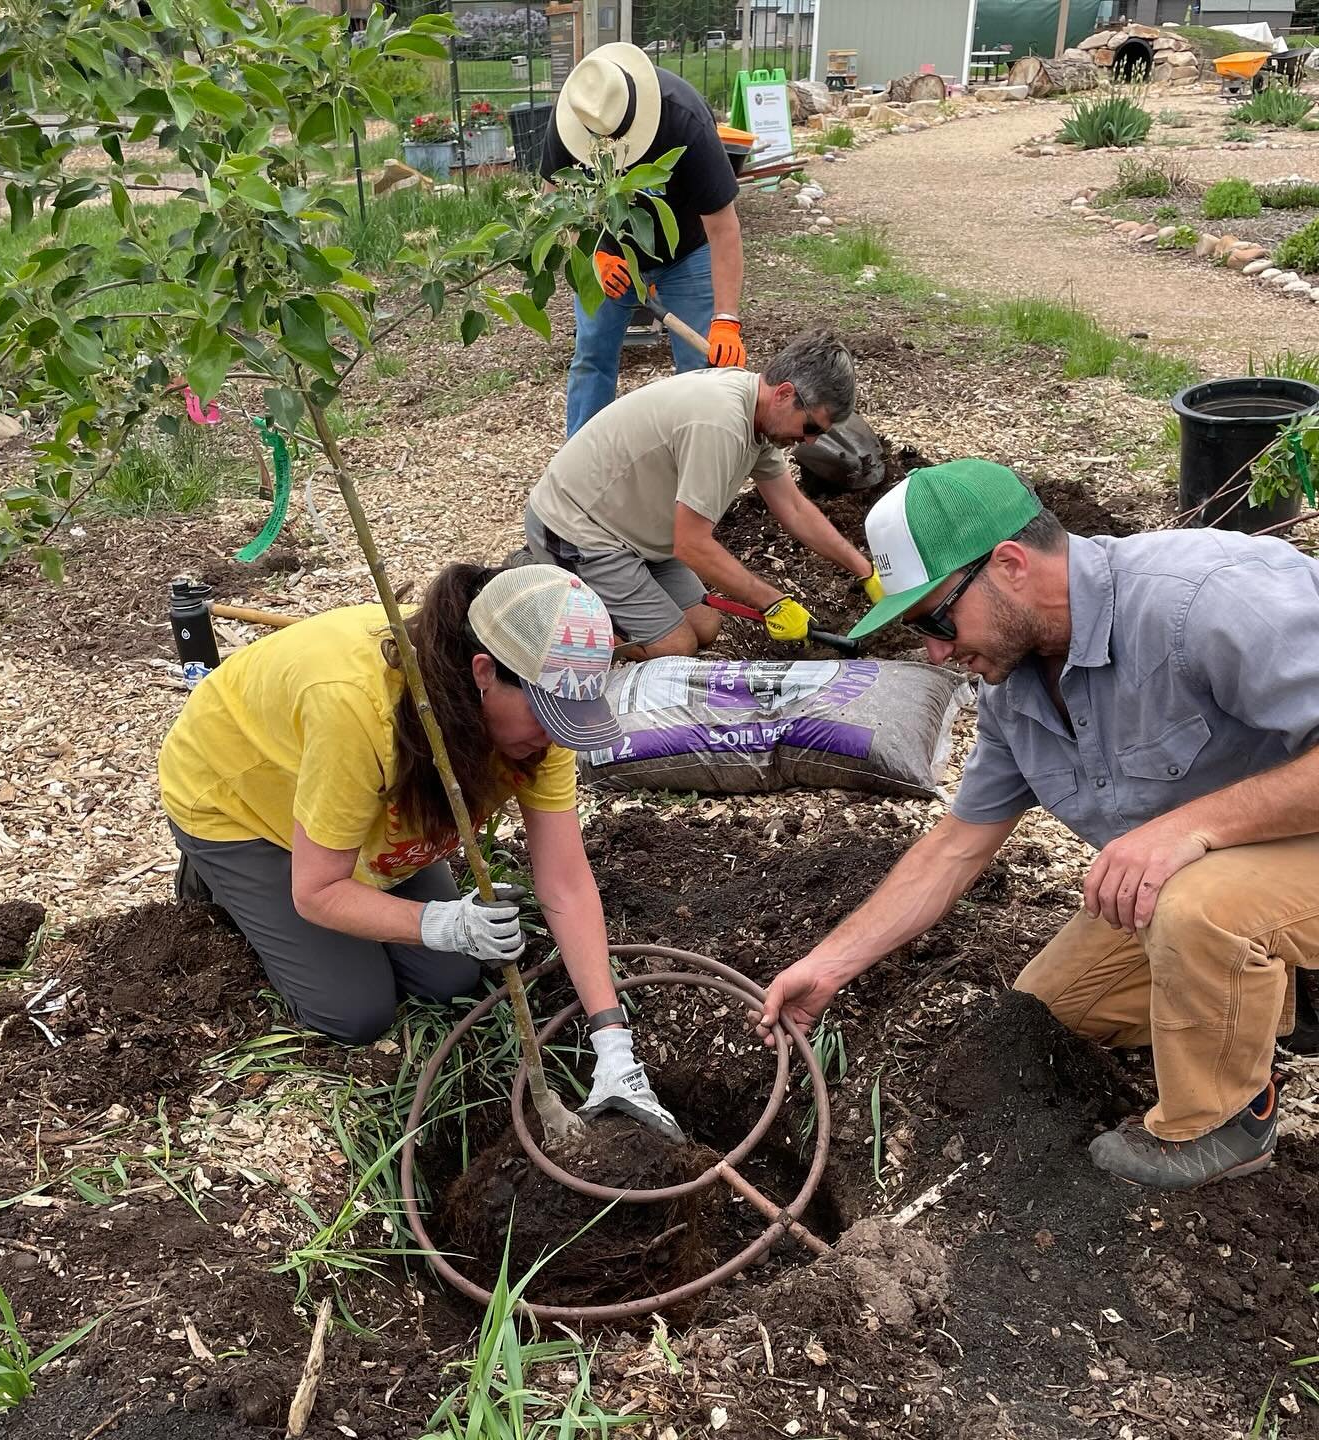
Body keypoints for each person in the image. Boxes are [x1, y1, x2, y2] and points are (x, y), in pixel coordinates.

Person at [758, 459, 1319, 1190]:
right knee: (1053, 1011)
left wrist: (1192, 827)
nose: (935, 651)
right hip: (1256, 858)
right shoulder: (1016, 694)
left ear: (1012, 564)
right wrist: (826, 967)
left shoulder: (1206, 599)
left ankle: (1221, 1123)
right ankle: (1288, 994)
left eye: (935, 619)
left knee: (1194, 906)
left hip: (1263, 855)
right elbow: (955, 848)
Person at [159, 563, 680, 1140]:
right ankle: (220, 878)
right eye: (546, 715)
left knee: (449, 977)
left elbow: (564, 881)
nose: (558, 736)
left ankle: (359, 856)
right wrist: (444, 920)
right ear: (484, 673)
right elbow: (317, 892)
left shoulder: (545, 718)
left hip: (363, 810)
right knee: (357, 1011)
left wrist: (612, 1042)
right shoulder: (358, 710)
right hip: (246, 803)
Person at [523, 329, 884, 660]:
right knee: (674, 647)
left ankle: (599, 604)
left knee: (705, 627)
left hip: (637, 533)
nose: (809, 441)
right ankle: (542, 605)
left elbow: (793, 508)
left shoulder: (758, 416)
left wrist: (864, 570)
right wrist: (773, 601)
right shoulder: (720, 425)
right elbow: (691, 545)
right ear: (785, 394)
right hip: (576, 528)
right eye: (811, 428)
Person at [541, 42, 746, 437]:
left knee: (700, 368)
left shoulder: (684, 119)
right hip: (609, 258)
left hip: (685, 249)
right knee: (592, 356)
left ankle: (700, 461)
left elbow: (724, 227)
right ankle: (580, 462)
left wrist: (726, 321)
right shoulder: (575, 115)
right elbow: (555, 209)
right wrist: (591, 256)